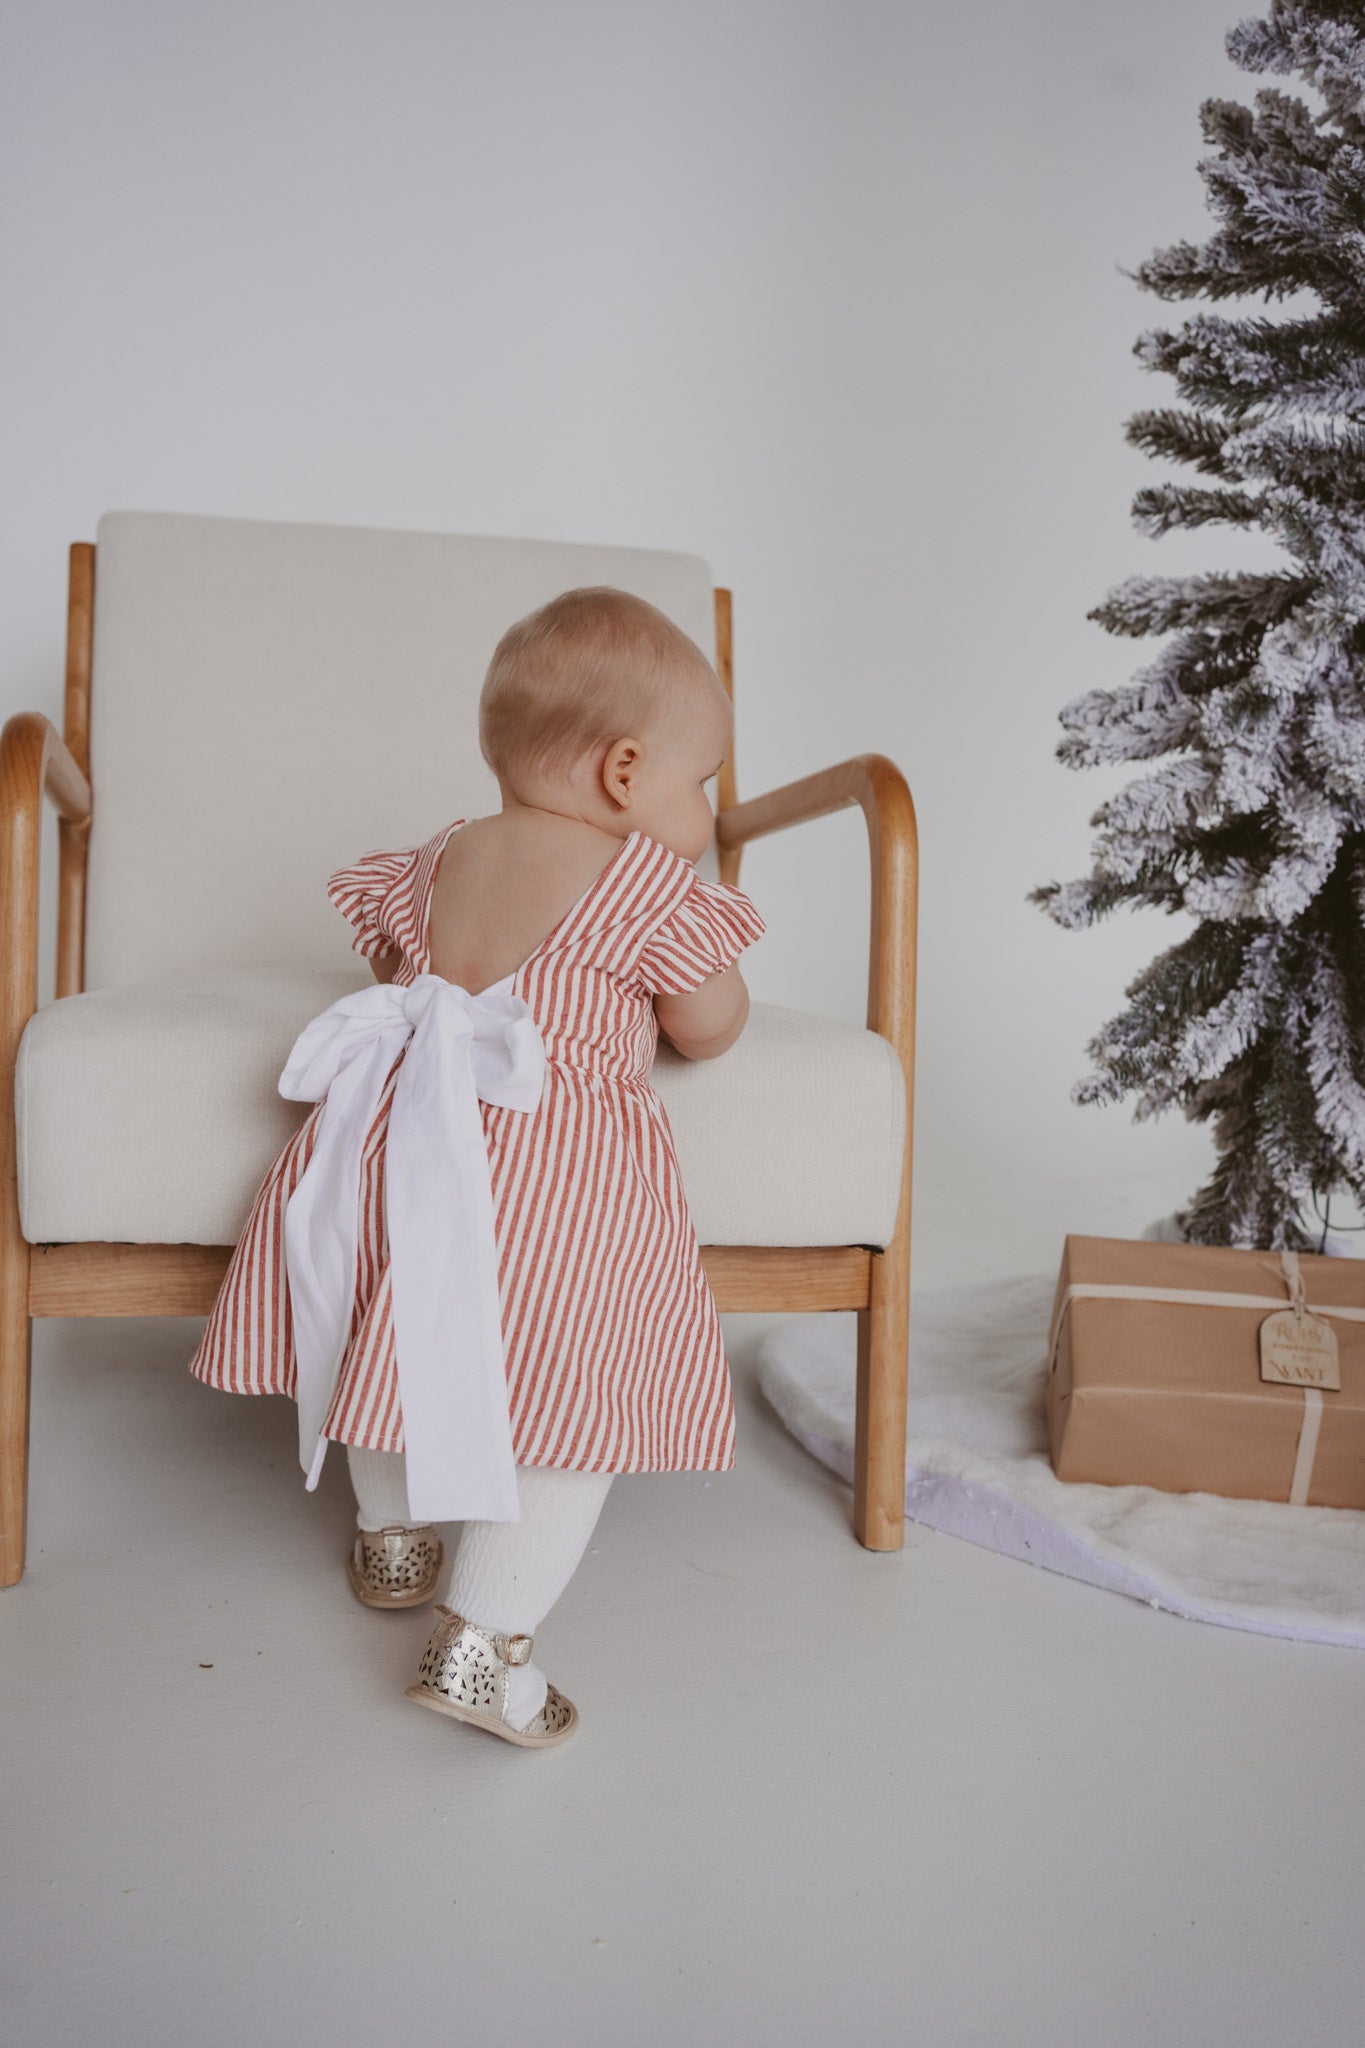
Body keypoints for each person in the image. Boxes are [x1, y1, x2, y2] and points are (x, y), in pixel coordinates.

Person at [188, 586, 766, 1749]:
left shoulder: (440, 857)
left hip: (401, 1142)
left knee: (385, 1321)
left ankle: (392, 1539)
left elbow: (400, 961)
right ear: (623, 771)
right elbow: (708, 1025)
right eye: (701, 782)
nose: (704, 809)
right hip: (557, 1171)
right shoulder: (646, 886)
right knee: (573, 1399)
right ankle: (481, 1642)